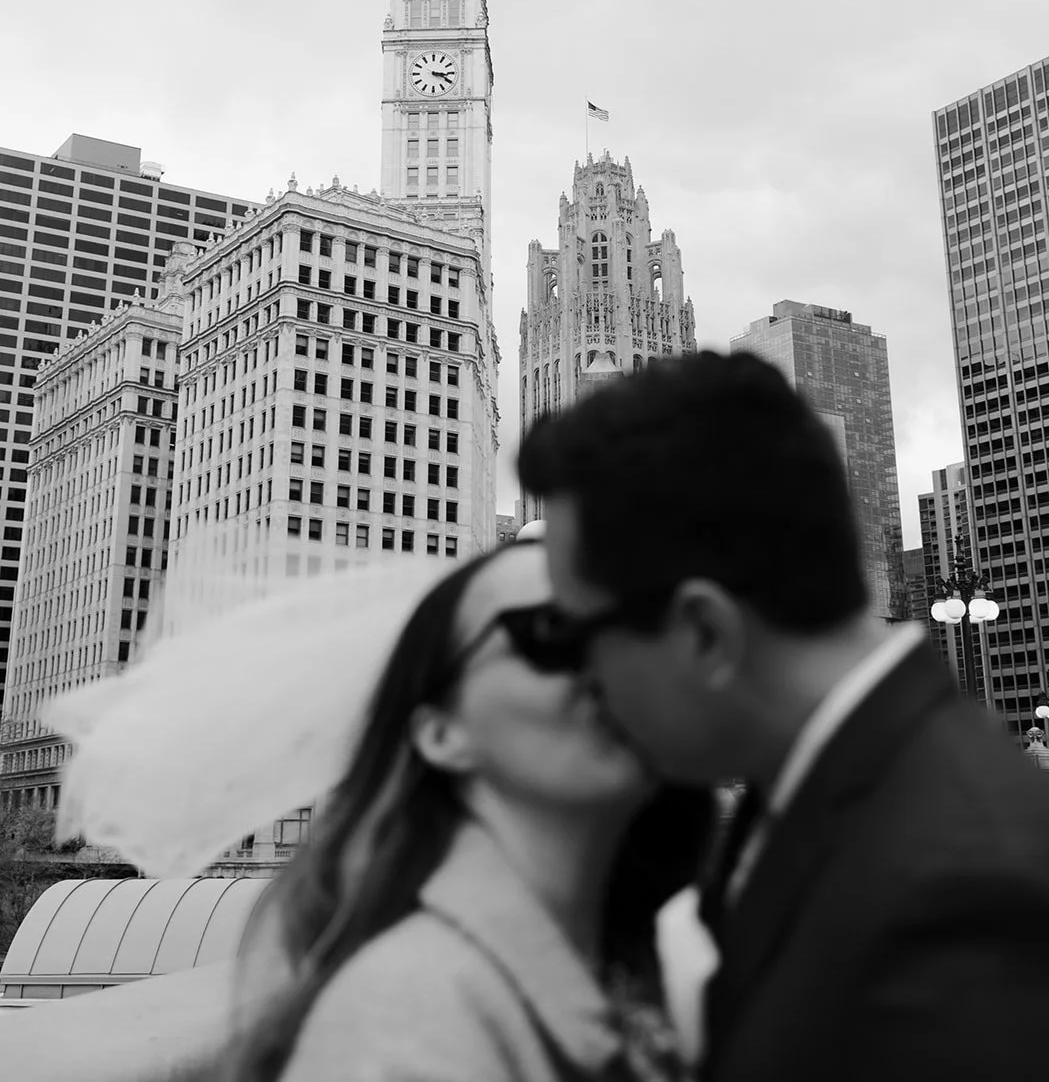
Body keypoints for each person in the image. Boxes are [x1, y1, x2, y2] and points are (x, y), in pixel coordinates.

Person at [517, 349, 1049, 1082]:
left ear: (703, 632)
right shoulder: (827, 800)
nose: (578, 680)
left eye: (577, 634)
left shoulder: (954, 904)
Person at [220, 540, 714, 1082]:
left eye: (628, 632)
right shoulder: (406, 1013)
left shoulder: (642, 970)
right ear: (439, 733)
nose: (608, 666)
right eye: (551, 633)